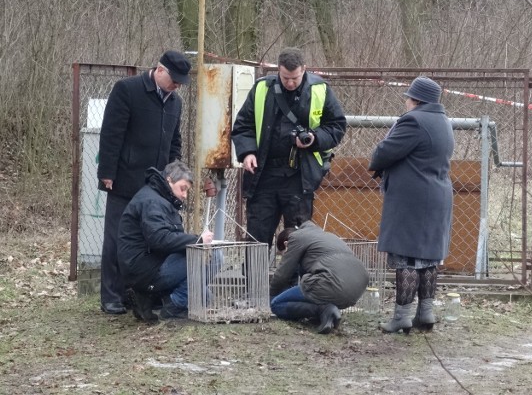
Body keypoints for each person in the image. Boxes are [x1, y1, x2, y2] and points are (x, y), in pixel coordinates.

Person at [97, 50, 191, 315]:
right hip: (125, 179)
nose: (177, 86)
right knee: (117, 239)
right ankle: (111, 295)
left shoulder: (175, 103)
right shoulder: (127, 90)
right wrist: (107, 172)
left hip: (158, 185)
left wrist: (176, 172)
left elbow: (175, 141)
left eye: (181, 82)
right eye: (174, 80)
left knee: (150, 241)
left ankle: (134, 293)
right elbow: (111, 133)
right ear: (159, 71)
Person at [231, 47, 347, 248]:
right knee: (257, 236)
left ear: (304, 69)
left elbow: (337, 126)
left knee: (298, 237)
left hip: (300, 176)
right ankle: (254, 278)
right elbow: (243, 125)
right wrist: (247, 152)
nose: (290, 83)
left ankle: (294, 280)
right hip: (264, 173)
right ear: (278, 71)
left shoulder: (320, 89)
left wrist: (314, 138)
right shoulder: (262, 89)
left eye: (295, 78)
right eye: (285, 78)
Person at [369, 77, 455, 334]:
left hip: (413, 200)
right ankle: (425, 313)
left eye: (408, 97)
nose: (406, 101)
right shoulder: (444, 123)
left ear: (415, 99)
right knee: (428, 258)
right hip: (438, 195)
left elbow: (383, 153)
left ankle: (401, 316)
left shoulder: (413, 121)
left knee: (405, 257)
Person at [118, 161, 214, 322]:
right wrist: (197, 240)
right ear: (169, 180)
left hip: (148, 263)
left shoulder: (159, 199)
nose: (184, 195)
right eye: (183, 188)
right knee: (212, 259)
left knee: (205, 296)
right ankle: (171, 304)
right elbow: (160, 239)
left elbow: (168, 238)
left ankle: (151, 299)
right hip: (144, 267)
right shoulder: (153, 202)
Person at [270, 217, 369, 334]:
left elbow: (281, 276)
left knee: (276, 304)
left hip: (331, 284)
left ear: (286, 244)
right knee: (312, 290)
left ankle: (323, 310)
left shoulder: (296, 238)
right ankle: (327, 310)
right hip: (357, 290)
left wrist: (272, 296)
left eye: (283, 254)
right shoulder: (328, 236)